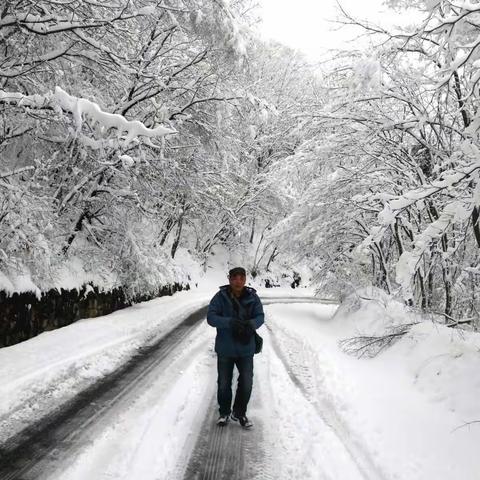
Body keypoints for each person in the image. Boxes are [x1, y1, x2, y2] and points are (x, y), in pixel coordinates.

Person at [207, 267, 264, 428]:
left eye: (241, 278)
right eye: (234, 278)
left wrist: (251, 324)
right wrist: (229, 322)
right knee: (224, 383)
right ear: (229, 279)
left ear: (245, 280)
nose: (238, 281)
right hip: (225, 348)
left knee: (247, 382)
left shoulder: (253, 298)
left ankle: (239, 413)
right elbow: (211, 318)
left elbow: (260, 316)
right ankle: (224, 412)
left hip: (246, 349)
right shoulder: (220, 297)